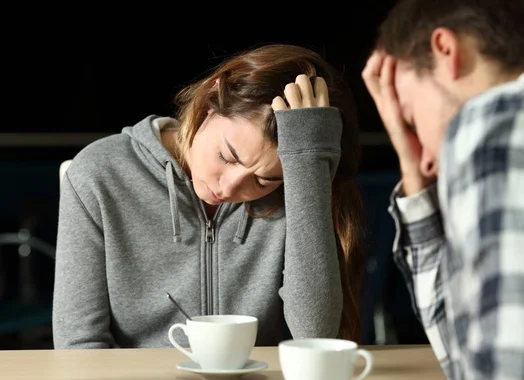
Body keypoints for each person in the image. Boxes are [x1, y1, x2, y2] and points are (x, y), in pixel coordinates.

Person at [53, 43, 366, 349]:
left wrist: (307, 166)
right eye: (228, 157)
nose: (229, 189)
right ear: (208, 103)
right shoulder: (100, 174)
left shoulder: (294, 187)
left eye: (262, 180)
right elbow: (78, 344)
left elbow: (317, 337)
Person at [362, 0, 524, 380]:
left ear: (446, 51)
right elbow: (465, 368)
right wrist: (412, 172)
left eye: (410, 116)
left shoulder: (510, 121)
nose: (426, 158)